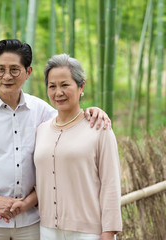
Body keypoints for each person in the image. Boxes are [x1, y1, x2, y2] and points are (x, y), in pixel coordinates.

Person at [0, 39, 111, 240]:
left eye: (15, 70)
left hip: (32, 222)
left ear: (28, 72)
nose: (7, 76)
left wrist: (92, 112)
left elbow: (69, 126)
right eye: (1, 69)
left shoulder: (42, 111)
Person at [34, 53, 122, 240]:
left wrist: (109, 232)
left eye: (65, 85)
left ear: (81, 86)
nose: (58, 92)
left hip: (89, 232)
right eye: (52, 86)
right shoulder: (41, 131)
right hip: (47, 230)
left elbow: (110, 184)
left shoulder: (99, 128)